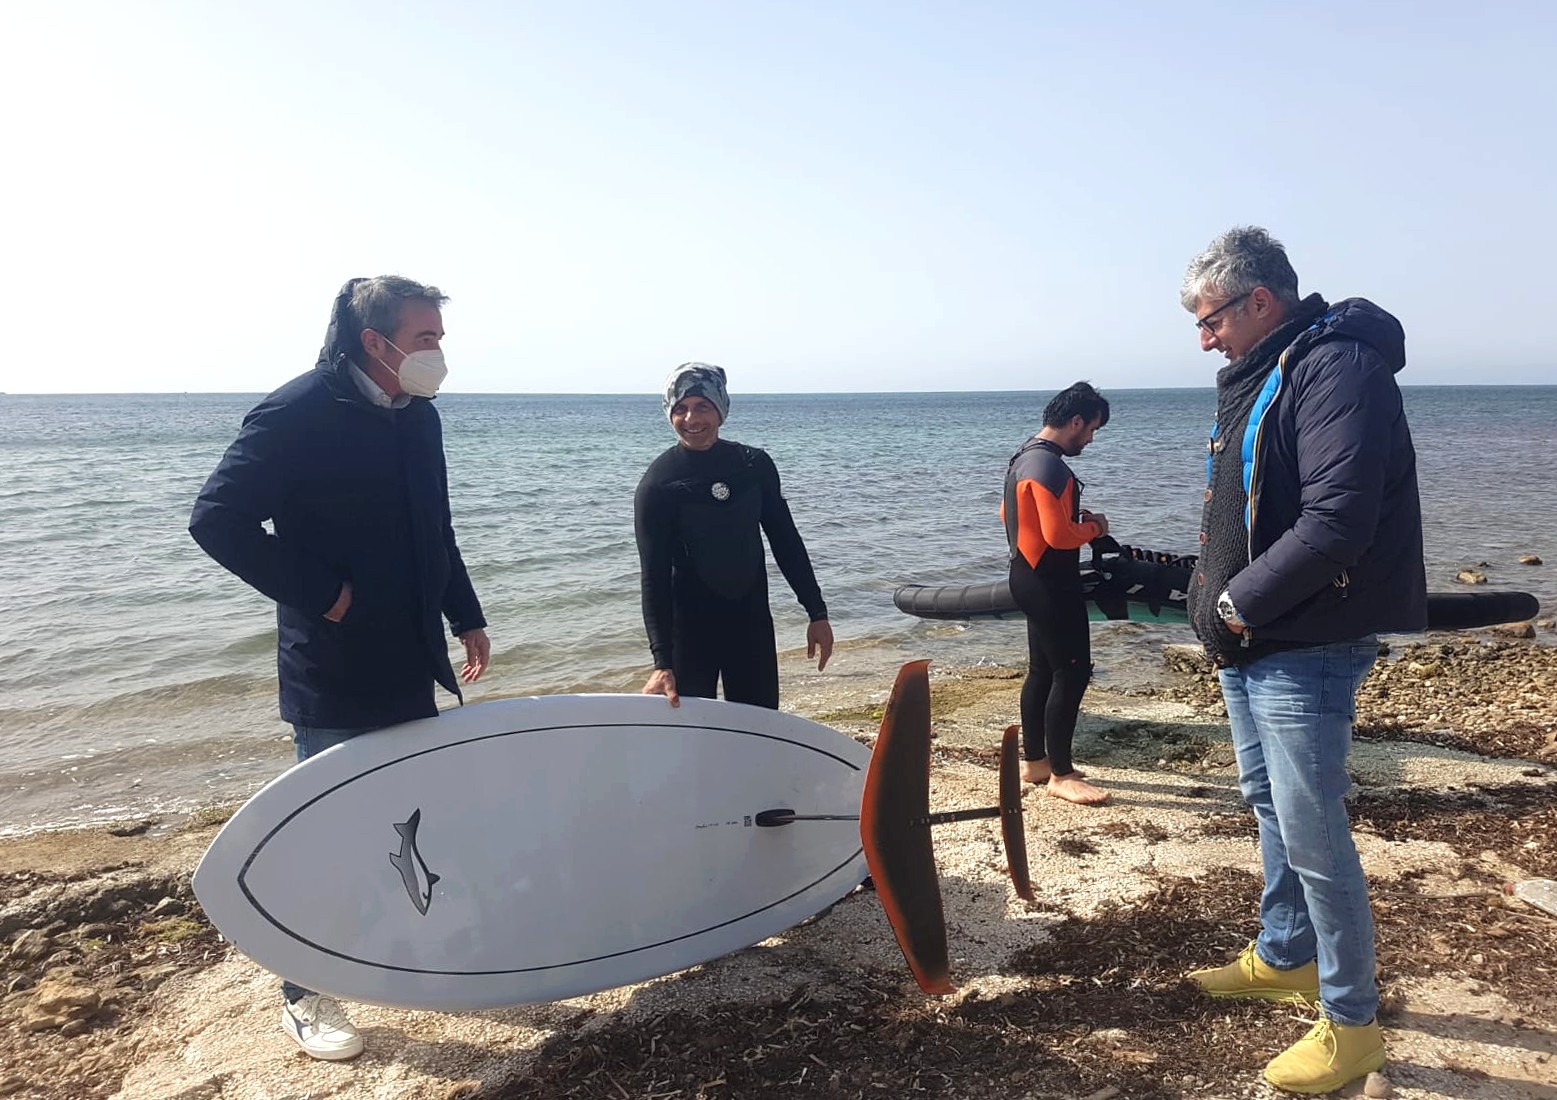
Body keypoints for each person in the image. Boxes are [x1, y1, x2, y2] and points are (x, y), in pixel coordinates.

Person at [189, 276, 491, 1062]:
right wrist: (324, 596)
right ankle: (304, 994)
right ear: (375, 341)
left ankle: (410, 953)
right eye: (426, 339)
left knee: (412, 821)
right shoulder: (296, 413)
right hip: (332, 668)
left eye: (439, 338)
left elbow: (434, 525)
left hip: (409, 657)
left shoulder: (416, 414)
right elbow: (216, 518)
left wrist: (465, 613)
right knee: (324, 831)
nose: (438, 353)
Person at [1178, 227, 1426, 1094]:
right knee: (1270, 807)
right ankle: (1286, 957)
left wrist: (1236, 603)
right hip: (1255, 643)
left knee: (1314, 834)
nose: (1203, 339)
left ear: (1259, 301)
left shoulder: (1337, 366)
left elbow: (1337, 520)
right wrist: (1217, 605)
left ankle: (1352, 1026)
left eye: (1210, 319)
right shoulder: (1269, 370)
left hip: (1304, 642)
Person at [635, 363, 832, 709]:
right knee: (693, 732)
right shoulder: (658, 484)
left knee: (758, 727)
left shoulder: (754, 466)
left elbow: (786, 542)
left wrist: (817, 613)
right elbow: (654, 577)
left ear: (721, 409)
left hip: (750, 627)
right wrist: (662, 662)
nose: (691, 418)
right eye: (680, 408)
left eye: (702, 406)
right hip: (690, 636)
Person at [1001, 382, 1111, 805]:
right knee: (1072, 672)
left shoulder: (1023, 457)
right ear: (1076, 421)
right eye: (1091, 430)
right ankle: (1062, 775)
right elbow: (1058, 537)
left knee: (1042, 670)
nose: (1090, 439)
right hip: (1051, 583)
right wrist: (1094, 528)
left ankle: (1036, 762)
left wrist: (1067, 521)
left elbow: (1007, 514)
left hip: (1025, 576)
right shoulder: (1050, 467)